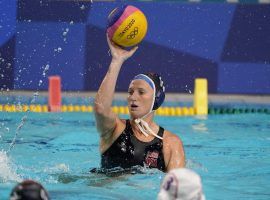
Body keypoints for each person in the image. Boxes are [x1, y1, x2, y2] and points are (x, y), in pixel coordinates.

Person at [94, 35, 185, 172]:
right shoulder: (115, 130)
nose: (133, 97)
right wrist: (116, 61)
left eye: (141, 92)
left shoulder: (170, 143)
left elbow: (177, 188)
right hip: (104, 192)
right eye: (130, 92)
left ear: (156, 99)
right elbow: (101, 109)